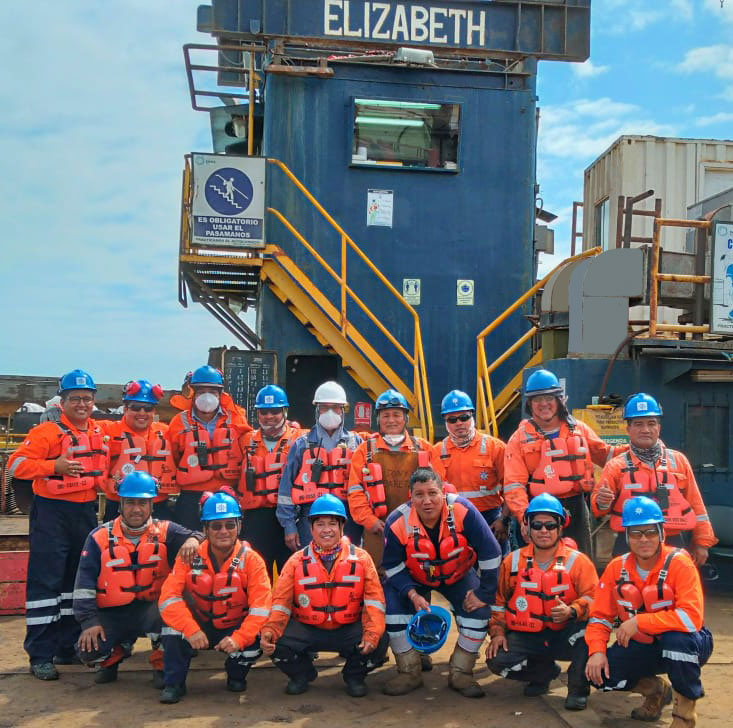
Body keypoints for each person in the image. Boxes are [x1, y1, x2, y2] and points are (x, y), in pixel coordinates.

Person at [7, 369, 110, 680]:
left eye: (87, 399)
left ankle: (68, 646)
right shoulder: (46, 433)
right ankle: (40, 654)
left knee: (75, 583)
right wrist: (55, 465)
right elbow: (17, 465)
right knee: (45, 584)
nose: (82, 404)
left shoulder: (99, 431)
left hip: (84, 514)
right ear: (62, 401)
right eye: (75, 399)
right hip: (52, 512)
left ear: (94, 401)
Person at [585, 496, 713, 727]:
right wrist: (596, 651)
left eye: (650, 532)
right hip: (642, 645)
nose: (644, 539)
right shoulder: (616, 568)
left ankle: (684, 716)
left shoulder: (680, 563)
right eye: (636, 533)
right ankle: (656, 691)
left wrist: (640, 622)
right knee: (599, 673)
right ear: (627, 536)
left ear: (662, 533)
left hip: (687, 643)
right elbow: (599, 617)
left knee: (678, 641)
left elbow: (691, 617)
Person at [381, 467, 501, 697]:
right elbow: (392, 565)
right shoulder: (397, 521)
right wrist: (412, 594)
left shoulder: (464, 511)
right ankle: (409, 672)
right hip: (414, 578)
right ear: (411, 497)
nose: (427, 501)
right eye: (419, 494)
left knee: (479, 613)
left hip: (458, 575)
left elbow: (491, 553)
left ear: (443, 493)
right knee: (392, 610)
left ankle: (461, 672)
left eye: (432, 493)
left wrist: (483, 594)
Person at [73, 471, 202, 685]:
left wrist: (194, 540)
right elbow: (83, 584)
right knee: (87, 650)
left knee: (177, 616)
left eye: (142, 503)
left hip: (151, 609)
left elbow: (199, 534)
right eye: (130, 503)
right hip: (112, 613)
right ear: (121, 504)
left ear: (151, 505)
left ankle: (162, 664)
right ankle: (114, 655)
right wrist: (89, 622)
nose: (136, 509)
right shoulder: (99, 537)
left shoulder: (165, 530)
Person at [260, 494, 388, 697]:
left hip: (348, 628)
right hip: (308, 628)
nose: (326, 530)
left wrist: (372, 633)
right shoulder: (295, 561)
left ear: (342, 527)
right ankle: (302, 674)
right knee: (274, 641)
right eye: (320, 524)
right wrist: (270, 630)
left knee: (381, 640)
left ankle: (353, 676)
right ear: (311, 529)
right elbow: (280, 603)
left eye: (332, 524)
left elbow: (374, 601)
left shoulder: (362, 559)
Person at [158, 489, 272, 703]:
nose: (223, 531)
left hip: (234, 626)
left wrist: (239, 639)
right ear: (205, 529)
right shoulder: (189, 556)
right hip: (199, 626)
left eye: (229, 525)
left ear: (239, 526)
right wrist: (190, 629)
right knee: (171, 628)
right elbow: (168, 598)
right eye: (216, 526)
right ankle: (174, 683)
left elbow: (261, 608)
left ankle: (236, 672)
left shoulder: (252, 561)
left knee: (259, 636)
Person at [486, 493, 598, 710]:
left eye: (550, 525)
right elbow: (499, 602)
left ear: (560, 527)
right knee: (496, 660)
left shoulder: (578, 562)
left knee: (590, 635)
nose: (544, 531)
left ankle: (577, 689)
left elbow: (596, 599)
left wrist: (572, 610)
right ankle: (543, 674)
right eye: (537, 525)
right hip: (528, 633)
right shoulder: (513, 561)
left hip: (567, 633)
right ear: (527, 528)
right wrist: (498, 633)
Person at [504, 368, 619, 556]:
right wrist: (524, 517)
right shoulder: (518, 439)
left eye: (549, 398)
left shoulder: (578, 429)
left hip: (576, 508)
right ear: (529, 404)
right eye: (537, 399)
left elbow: (605, 455)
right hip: (538, 510)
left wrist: (640, 449)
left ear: (558, 400)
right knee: (538, 567)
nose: (544, 404)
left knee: (579, 560)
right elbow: (513, 485)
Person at [591, 393, 716, 562]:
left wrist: (702, 542)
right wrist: (602, 501)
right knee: (627, 588)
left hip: (671, 539)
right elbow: (598, 509)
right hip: (630, 540)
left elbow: (696, 504)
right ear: (628, 429)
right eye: (638, 424)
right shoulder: (615, 466)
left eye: (651, 423)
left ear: (659, 427)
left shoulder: (678, 461)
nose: (645, 429)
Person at [347, 389, 434, 567]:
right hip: (377, 530)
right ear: (378, 420)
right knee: (378, 574)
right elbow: (355, 492)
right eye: (386, 415)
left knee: (417, 572)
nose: (391, 420)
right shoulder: (365, 451)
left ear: (405, 419)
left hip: (417, 528)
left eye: (396, 414)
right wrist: (369, 521)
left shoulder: (424, 449)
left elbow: (440, 490)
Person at [277, 381, 363, 550]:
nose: (330, 412)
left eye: (335, 407)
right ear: (317, 409)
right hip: (310, 516)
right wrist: (289, 526)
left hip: (348, 516)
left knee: (349, 566)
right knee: (311, 567)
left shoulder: (356, 443)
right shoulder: (302, 444)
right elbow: (285, 490)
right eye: (325, 407)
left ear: (343, 410)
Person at [167, 365, 251, 530]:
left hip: (227, 492)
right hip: (191, 496)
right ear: (193, 394)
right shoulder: (179, 422)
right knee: (189, 543)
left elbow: (247, 451)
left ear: (220, 394)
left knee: (225, 542)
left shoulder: (236, 418)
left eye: (212, 392)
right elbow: (173, 456)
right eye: (201, 392)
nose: (206, 397)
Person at [238, 385, 304, 576]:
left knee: (291, 572)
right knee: (256, 573)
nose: (269, 416)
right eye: (264, 412)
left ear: (284, 411)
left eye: (275, 411)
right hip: (255, 518)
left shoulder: (300, 438)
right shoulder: (245, 440)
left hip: (290, 517)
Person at [432, 389, 508, 554]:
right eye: (452, 419)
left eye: (464, 417)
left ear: (472, 417)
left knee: (498, 569)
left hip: (491, 519)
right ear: (445, 422)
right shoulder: (437, 452)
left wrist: (504, 520)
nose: (459, 423)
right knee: (459, 572)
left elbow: (512, 488)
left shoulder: (495, 448)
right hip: (454, 520)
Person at [101, 379, 177, 522]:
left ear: (153, 411)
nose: (142, 413)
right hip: (120, 506)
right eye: (136, 407)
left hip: (158, 506)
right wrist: (56, 412)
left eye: (148, 408)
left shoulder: (166, 432)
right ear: (125, 409)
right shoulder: (107, 430)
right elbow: (81, 424)